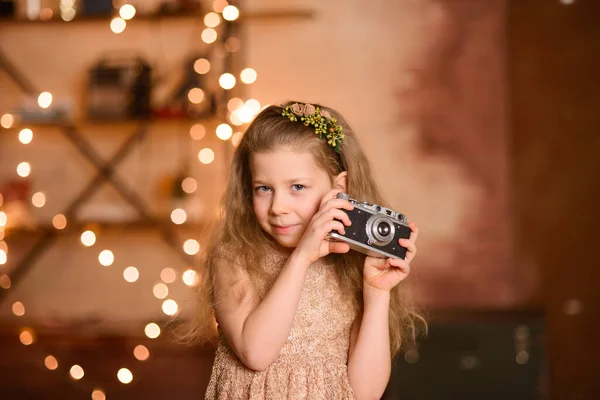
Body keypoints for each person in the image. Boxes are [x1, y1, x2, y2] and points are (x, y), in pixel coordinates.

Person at [192, 101, 426, 399]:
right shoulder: (233, 257)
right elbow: (256, 353)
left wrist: (377, 293)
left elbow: (365, 393)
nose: (278, 207)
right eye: (263, 188)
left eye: (297, 187)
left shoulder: (350, 265)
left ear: (338, 189)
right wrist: (302, 257)